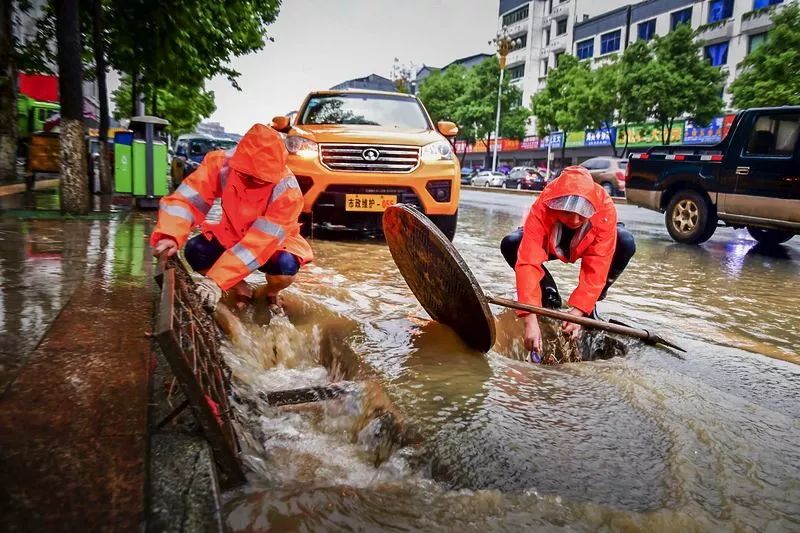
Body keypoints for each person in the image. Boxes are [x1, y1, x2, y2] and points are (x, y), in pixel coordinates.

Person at [151, 123, 313, 310]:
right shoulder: (221, 164)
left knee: (285, 268)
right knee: (195, 251)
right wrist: (170, 235)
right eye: (248, 177)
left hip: (274, 244)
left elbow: (259, 245)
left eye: (262, 179)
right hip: (232, 234)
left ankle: (270, 292)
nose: (255, 182)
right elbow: (187, 200)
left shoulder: (288, 192)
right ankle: (242, 289)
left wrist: (216, 281)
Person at [500, 166, 635, 354]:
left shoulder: (604, 208)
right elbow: (529, 262)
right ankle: (548, 295)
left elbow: (597, 265)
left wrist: (578, 312)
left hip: (587, 245)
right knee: (511, 243)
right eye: (567, 212)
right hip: (553, 244)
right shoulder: (543, 204)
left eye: (581, 213)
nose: (574, 220)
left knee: (626, 242)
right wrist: (530, 317)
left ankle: (590, 303)